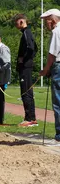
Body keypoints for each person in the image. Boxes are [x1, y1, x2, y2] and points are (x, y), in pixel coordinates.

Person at [39, 8, 60, 143]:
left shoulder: (56, 31)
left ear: (52, 21)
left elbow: (52, 54)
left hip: (58, 66)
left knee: (58, 101)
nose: (46, 25)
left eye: (46, 22)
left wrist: (46, 69)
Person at [13, 14, 38, 127]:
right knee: (28, 92)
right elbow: (36, 48)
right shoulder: (26, 33)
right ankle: (31, 118)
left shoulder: (27, 32)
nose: (15, 25)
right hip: (26, 67)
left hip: (26, 68)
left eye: (16, 23)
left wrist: (24, 59)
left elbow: (32, 48)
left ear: (22, 22)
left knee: (25, 93)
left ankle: (29, 118)